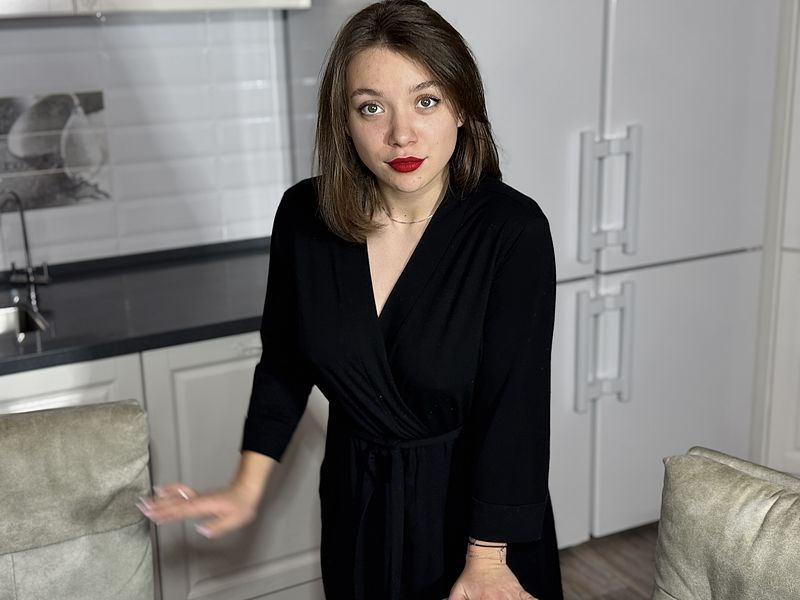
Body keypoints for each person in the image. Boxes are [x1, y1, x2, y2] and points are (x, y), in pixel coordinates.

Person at [137, 1, 562, 598]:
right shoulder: (304, 218)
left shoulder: (512, 231)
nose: (401, 134)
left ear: (463, 106)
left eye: (426, 101)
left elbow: (515, 412)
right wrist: (245, 488)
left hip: (479, 522)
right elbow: (285, 363)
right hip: (357, 506)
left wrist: (488, 557)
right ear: (343, 119)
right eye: (371, 107)